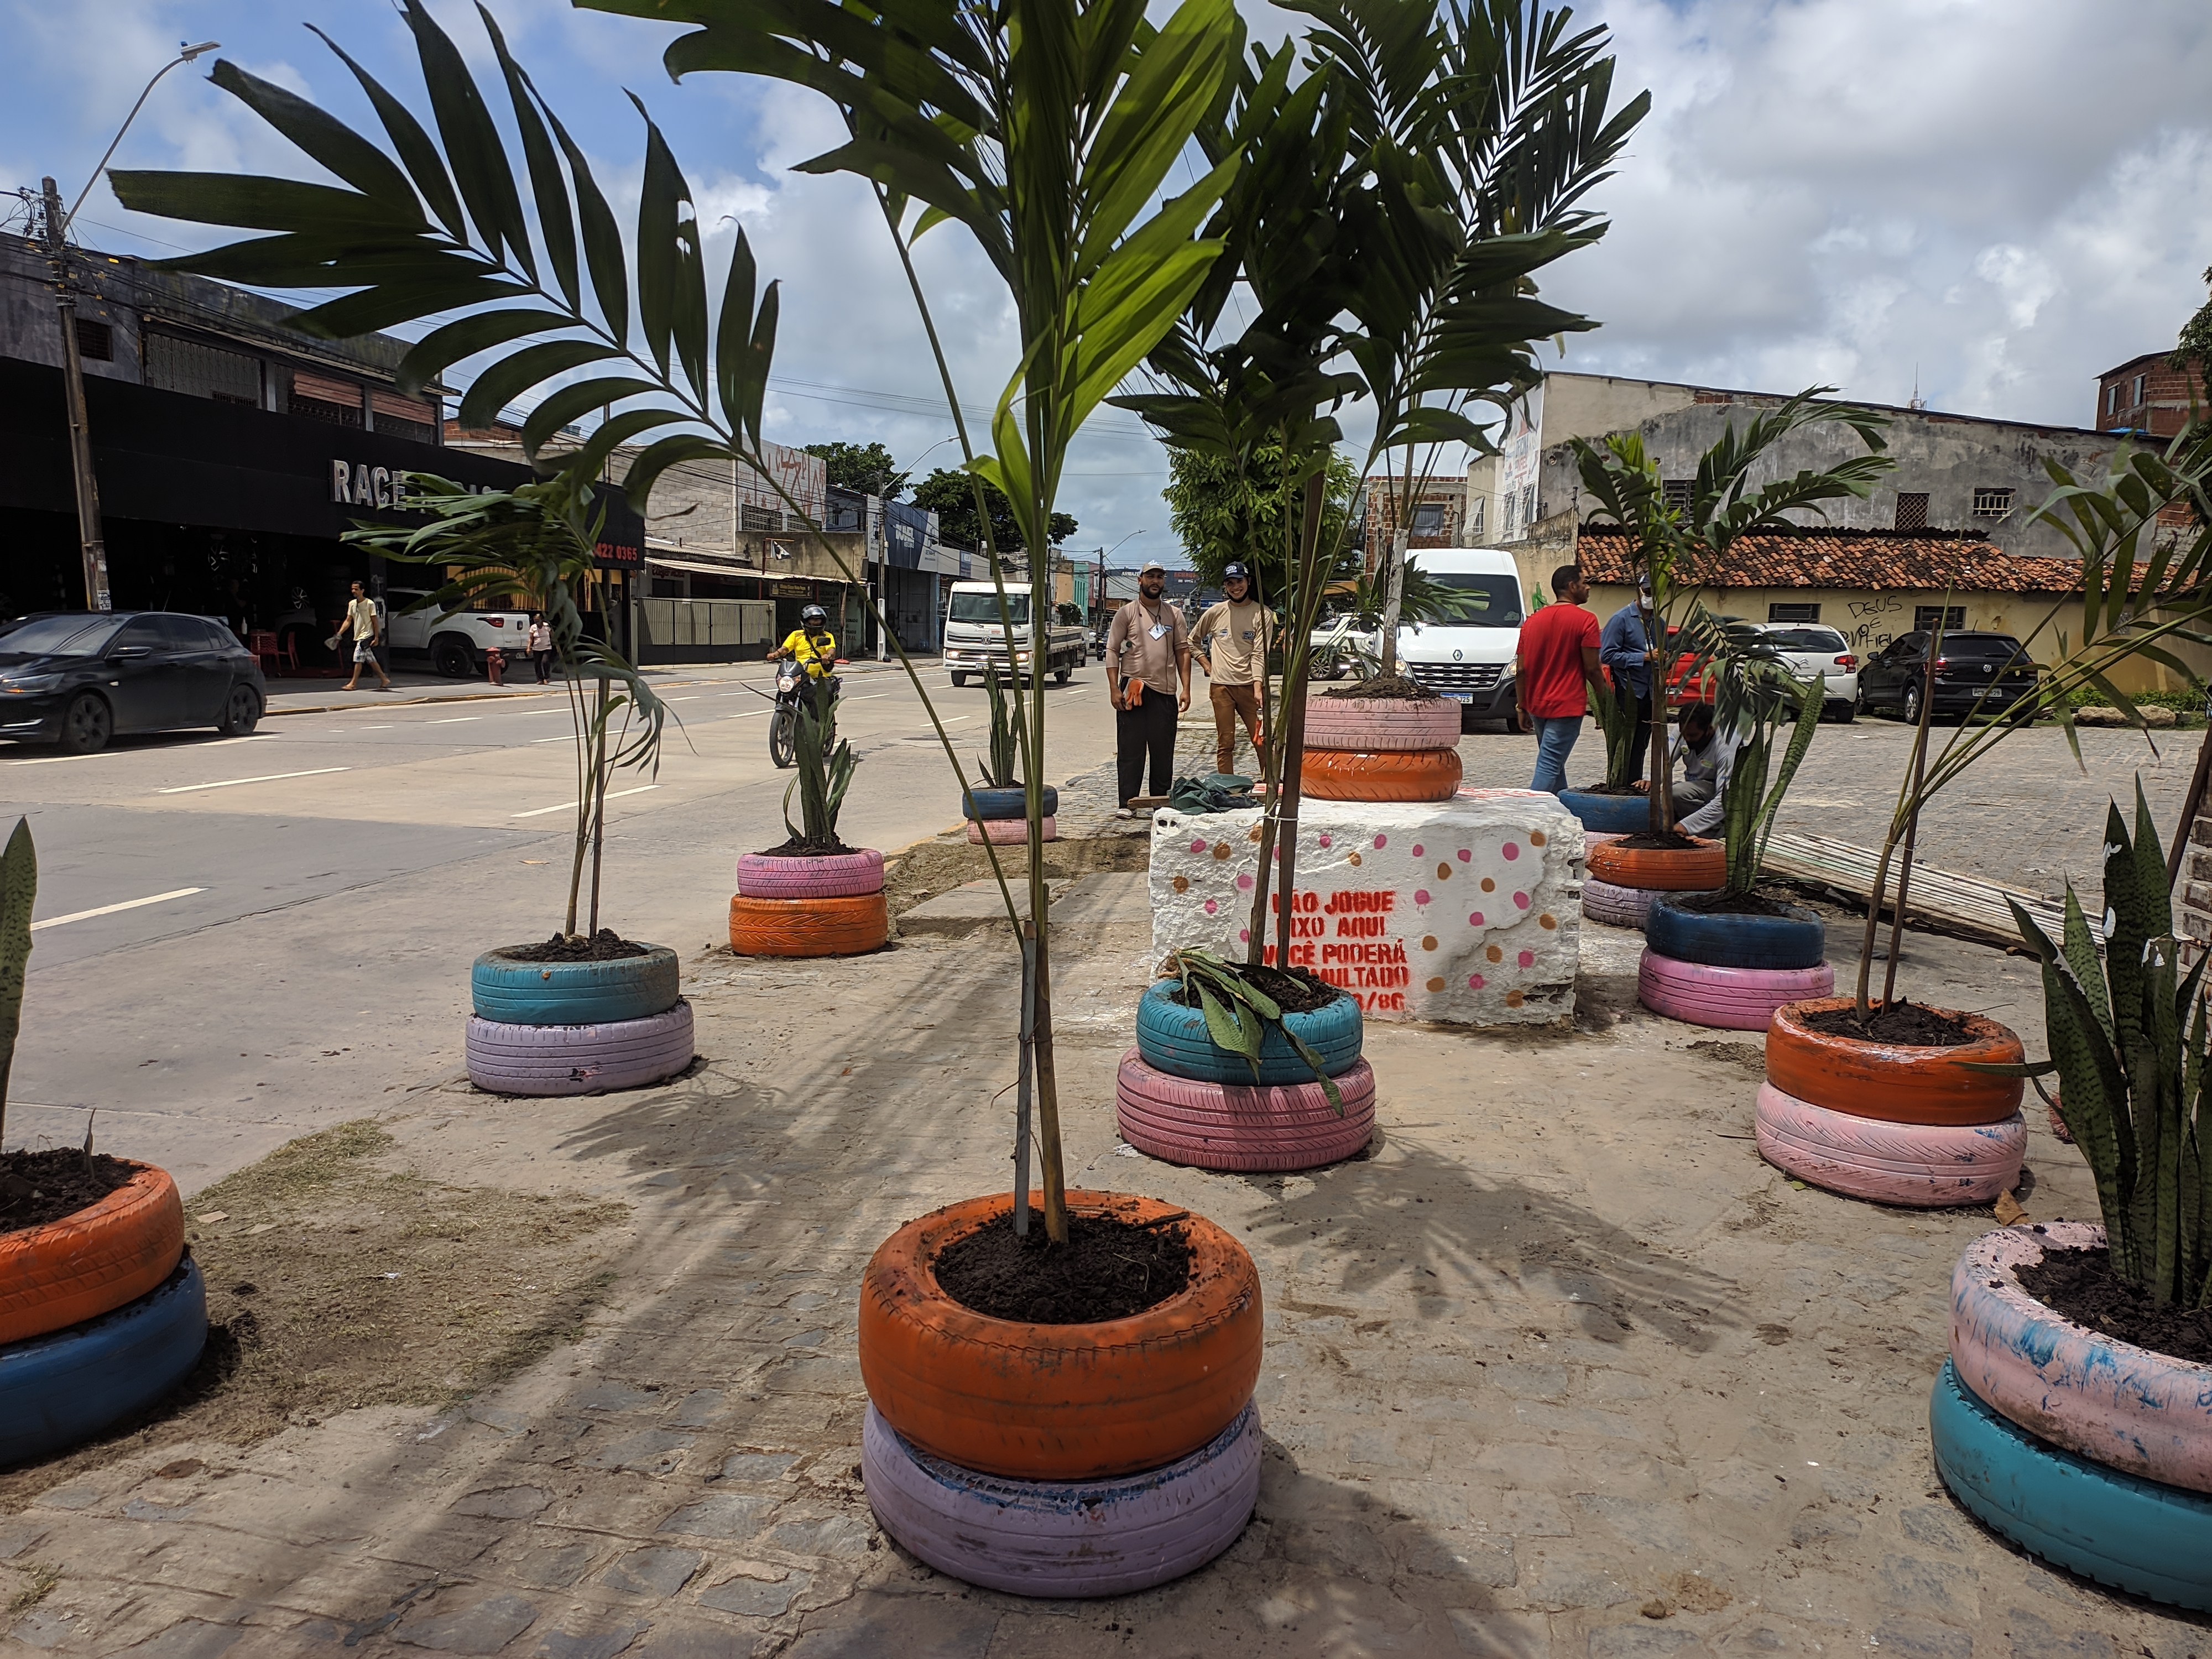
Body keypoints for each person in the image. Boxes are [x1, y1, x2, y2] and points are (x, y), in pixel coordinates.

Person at [1105, 560, 1191, 815]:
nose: (1155, 581)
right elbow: (1112, 649)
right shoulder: (1127, 613)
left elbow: (1183, 651)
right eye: (1150, 576)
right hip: (1133, 688)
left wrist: (1186, 688)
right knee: (1131, 750)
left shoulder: (1174, 615)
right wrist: (1113, 688)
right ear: (1140, 580)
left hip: (1164, 692)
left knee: (1162, 751)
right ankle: (1127, 803)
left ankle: (1159, 804)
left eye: (1160, 577)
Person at [1513, 563, 1605, 794]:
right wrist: (1605, 702)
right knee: (1550, 764)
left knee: (1554, 764)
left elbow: (1521, 670)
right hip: (1567, 705)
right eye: (1585, 583)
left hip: (1537, 705)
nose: (1588, 588)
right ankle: (1528, 815)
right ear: (1572, 586)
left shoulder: (1531, 622)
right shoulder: (1587, 621)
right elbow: (1592, 668)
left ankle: (1560, 812)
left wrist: (1521, 706)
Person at [1193, 561, 1270, 778]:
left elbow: (1259, 653)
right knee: (1226, 741)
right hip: (1221, 688)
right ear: (1225, 586)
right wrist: (1207, 666)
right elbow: (1193, 641)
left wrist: (1257, 686)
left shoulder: (1262, 614)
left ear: (1248, 582)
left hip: (1249, 687)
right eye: (1230, 583)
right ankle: (1227, 786)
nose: (1236, 587)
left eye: (1239, 581)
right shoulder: (1216, 612)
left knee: (1260, 738)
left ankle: (1269, 781)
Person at [1647, 701, 1741, 836]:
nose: (1686, 739)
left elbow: (1724, 799)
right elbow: (1665, 760)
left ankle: (1717, 831)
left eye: (1692, 736)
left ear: (1711, 728)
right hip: (1698, 786)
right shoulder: (1683, 732)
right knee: (1663, 792)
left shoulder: (1727, 746)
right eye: (1683, 734)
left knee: (1676, 793)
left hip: (1721, 789)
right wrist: (1650, 779)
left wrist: (1686, 826)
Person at [1598, 576, 1660, 781]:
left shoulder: (1658, 622)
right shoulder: (1621, 619)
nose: (1652, 596)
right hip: (1629, 691)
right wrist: (1641, 657)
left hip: (1651, 692)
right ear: (1640, 590)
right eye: (1648, 591)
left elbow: (1663, 653)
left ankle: (1636, 781)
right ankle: (1621, 781)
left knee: (1642, 743)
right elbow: (1607, 655)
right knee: (1627, 743)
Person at [338, 580, 391, 691]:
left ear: (362, 590)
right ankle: (384, 679)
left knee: (358, 658)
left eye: (356, 589)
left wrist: (376, 637)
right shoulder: (352, 604)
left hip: (366, 635)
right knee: (370, 659)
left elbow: (375, 622)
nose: (354, 591)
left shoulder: (369, 604)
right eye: (352, 589)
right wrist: (339, 633)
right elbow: (348, 620)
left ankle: (353, 683)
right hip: (359, 635)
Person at [769, 604, 838, 680]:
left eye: (818, 620)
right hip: (799, 676)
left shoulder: (827, 636)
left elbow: (832, 650)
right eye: (813, 620)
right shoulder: (796, 635)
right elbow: (785, 649)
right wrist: (775, 654)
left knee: (824, 692)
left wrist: (827, 655)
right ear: (806, 621)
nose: (816, 622)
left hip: (822, 677)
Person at [527, 612, 553, 684]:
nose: (537, 622)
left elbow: (552, 635)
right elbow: (531, 638)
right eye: (535, 621)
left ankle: (547, 677)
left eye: (538, 620)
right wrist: (528, 647)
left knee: (545, 662)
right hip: (537, 648)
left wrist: (555, 643)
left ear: (541, 620)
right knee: (537, 664)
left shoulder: (547, 626)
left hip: (547, 647)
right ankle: (540, 679)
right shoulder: (533, 627)